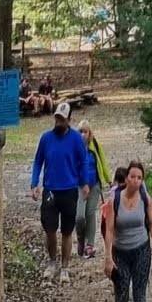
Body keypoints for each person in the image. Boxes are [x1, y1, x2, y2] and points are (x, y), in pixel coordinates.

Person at [99, 158, 152, 302]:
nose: (136, 181)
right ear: (126, 178)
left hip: (141, 250)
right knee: (121, 297)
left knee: (140, 294)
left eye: (140, 178)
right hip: (120, 252)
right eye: (133, 177)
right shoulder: (114, 199)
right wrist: (108, 258)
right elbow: (109, 230)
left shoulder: (145, 197)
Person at [29, 100, 93, 282]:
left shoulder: (76, 139)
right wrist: (34, 184)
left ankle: (65, 266)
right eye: (57, 118)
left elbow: (83, 161)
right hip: (50, 189)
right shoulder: (46, 138)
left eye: (62, 119)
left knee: (67, 231)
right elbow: (37, 161)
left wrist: (85, 182)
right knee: (49, 229)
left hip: (69, 189)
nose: (58, 122)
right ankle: (51, 262)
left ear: (69, 120)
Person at [75, 120, 110, 262]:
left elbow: (102, 162)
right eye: (80, 132)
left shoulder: (95, 145)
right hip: (79, 186)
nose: (83, 134)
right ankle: (80, 239)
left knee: (90, 214)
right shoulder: (75, 147)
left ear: (90, 133)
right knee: (79, 217)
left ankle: (90, 245)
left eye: (85, 132)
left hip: (94, 184)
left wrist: (108, 180)